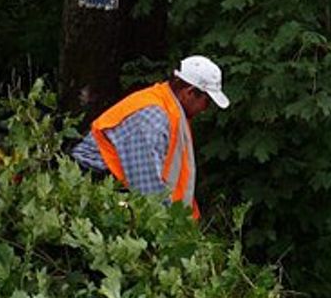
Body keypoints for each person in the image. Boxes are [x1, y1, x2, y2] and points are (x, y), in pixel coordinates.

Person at [70, 55, 229, 219]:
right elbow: (147, 188)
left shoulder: (167, 107)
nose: (206, 109)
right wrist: (171, 228)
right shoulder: (154, 118)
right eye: (207, 101)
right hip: (89, 182)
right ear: (189, 93)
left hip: (107, 183)